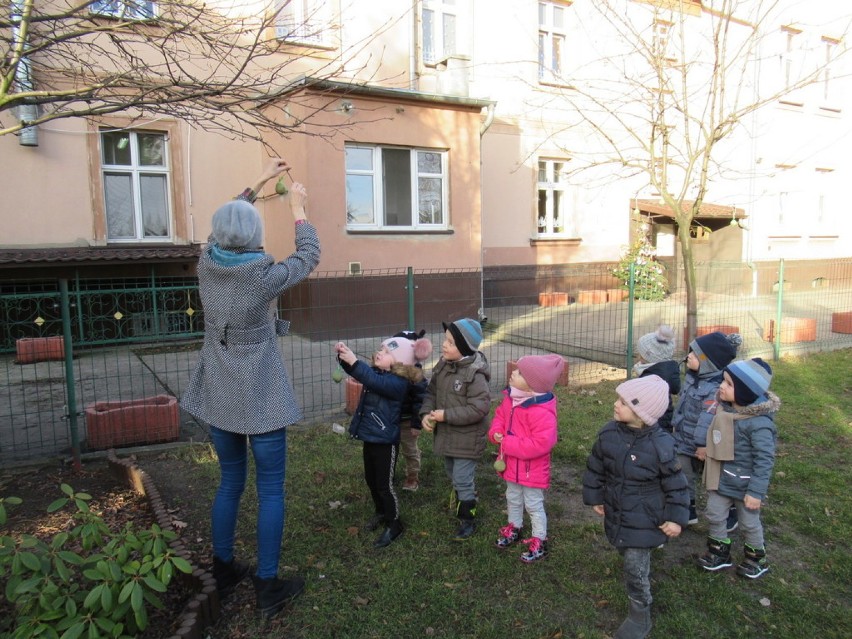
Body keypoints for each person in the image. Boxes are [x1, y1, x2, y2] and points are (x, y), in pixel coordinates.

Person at [180, 157, 320, 619]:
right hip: (260, 396)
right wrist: (297, 208)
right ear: (255, 235)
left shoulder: (205, 263)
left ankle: (223, 568)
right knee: (272, 490)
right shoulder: (261, 276)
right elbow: (308, 256)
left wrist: (256, 184)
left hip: (220, 393)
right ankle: (267, 583)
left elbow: (226, 223)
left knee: (230, 482)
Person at [583, 375, 689, 639]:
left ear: (641, 413)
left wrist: (676, 518)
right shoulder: (609, 433)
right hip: (618, 509)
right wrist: (595, 496)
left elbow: (677, 484)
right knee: (622, 546)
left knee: (635, 566)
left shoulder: (660, 445)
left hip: (646, 516)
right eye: (618, 399)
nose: (616, 404)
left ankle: (640, 613)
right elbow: (596, 467)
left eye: (623, 402)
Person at [334, 333, 432, 548]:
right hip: (371, 436)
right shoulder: (379, 373)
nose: (380, 352)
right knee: (371, 479)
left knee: (384, 485)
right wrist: (344, 357)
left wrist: (355, 362)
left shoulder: (399, 382)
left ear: (400, 362)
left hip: (386, 441)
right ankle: (381, 512)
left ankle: (394, 523)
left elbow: (373, 380)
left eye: (387, 352)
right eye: (381, 349)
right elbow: (365, 374)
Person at [697, 358, 779, 579]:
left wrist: (756, 492)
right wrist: (706, 448)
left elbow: (764, 460)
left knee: (749, 523)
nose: (721, 386)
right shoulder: (726, 412)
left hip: (745, 487)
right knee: (714, 514)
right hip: (721, 480)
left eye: (729, 384)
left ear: (744, 392)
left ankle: (756, 559)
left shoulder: (759, 424)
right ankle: (719, 551)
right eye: (723, 381)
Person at [488, 354, 565, 562]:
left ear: (532, 386)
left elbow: (541, 444)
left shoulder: (542, 412)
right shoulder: (511, 399)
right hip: (512, 465)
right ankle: (515, 526)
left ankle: (539, 539)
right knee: (512, 497)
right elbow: (500, 417)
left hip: (532, 470)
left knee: (533, 503)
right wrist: (496, 431)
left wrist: (507, 443)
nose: (513, 371)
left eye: (520, 372)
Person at [419, 318, 491, 540]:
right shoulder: (443, 366)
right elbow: (431, 392)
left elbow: (479, 408)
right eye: (445, 340)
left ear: (464, 348)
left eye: (450, 342)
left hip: (468, 438)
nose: (444, 345)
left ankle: (468, 518)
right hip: (449, 436)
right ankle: (465, 493)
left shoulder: (475, 375)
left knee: (460, 477)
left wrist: (446, 416)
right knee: (453, 472)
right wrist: (426, 414)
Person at [671, 331, 742, 528]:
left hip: (706, 445)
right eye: (690, 352)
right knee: (683, 474)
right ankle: (688, 509)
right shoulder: (693, 377)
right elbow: (683, 404)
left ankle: (730, 512)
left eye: (694, 355)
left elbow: (707, 419)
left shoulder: (715, 389)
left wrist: (702, 444)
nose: (688, 357)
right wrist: (676, 423)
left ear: (708, 362)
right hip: (684, 439)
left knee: (715, 480)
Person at [392, 329, 433, 492]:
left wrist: (417, 424)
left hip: (408, 422)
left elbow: (419, 401)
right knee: (390, 448)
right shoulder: (390, 370)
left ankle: (412, 476)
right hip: (391, 419)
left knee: (410, 450)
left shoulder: (416, 376)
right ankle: (389, 473)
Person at [633, 324, 680, 433]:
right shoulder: (665, 370)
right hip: (663, 421)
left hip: (654, 424)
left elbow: (641, 402)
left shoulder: (651, 376)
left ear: (649, 356)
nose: (637, 356)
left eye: (640, 353)